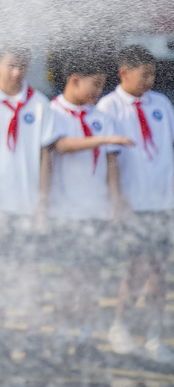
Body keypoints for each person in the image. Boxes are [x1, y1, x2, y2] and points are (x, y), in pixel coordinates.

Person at [0, 47, 58, 373]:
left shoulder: (40, 103)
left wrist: (42, 205)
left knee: (32, 280)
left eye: (22, 66)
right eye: (10, 66)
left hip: (29, 206)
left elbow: (45, 156)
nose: (16, 73)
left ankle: (33, 347)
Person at [46, 53, 133, 367]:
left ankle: (85, 338)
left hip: (96, 212)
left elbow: (112, 163)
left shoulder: (101, 117)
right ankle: (60, 338)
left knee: (92, 279)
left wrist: (114, 202)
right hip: (66, 213)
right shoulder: (53, 112)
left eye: (102, 85)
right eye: (94, 84)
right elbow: (62, 145)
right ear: (74, 80)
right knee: (69, 280)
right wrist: (104, 138)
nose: (99, 91)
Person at [97, 45, 174, 363]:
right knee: (139, 266)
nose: (150, 81)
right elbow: (105, 159)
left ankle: (155, 335)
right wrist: (117, 201)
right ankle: (120, 325)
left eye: (154, 74)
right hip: (132, 203)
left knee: (160, 271)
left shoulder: (162, 103)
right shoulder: (107, 107)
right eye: (145, 75)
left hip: (164, 201)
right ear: (124, 73)